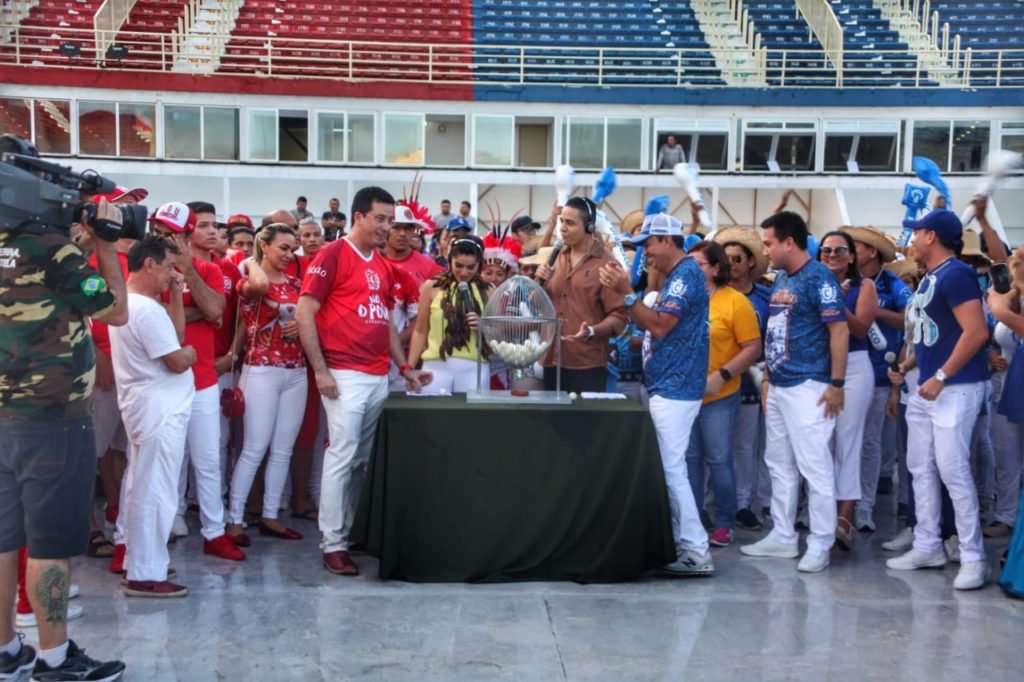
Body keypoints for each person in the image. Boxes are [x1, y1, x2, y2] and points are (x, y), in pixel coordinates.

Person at [0, 134, 128, 678]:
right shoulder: (53, 252)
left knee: (4, 538)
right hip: (52, 417)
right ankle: (54, 657)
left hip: (3, 415)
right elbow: (115, 310)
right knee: (49, 544)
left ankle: (6, 650)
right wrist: (105, 244)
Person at [297, 186, 431, 577]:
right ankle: (332, 543)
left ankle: (352, 530)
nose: (387, 227)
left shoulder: (381, 265)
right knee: (342, 455)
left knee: (361, 459)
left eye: (391, 220)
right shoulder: (333, 254)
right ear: (358, 217)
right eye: (381, 219)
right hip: (343, 373)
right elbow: (305, 312)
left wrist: (403, 368)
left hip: (377, 374)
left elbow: (384, 321)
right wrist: (321, 370)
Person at [598, 213, 713, 576]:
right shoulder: (679, 275)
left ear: (666, 240)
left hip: (677, 385)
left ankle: (695, 549)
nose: (644, 252)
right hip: (669, 383)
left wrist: (626, 293)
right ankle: (682, 543)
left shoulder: (684, 276)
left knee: (671, 469)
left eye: (647, 244)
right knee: (670, 468)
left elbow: (660, 327)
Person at [886, 209, 991, 590]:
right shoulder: (933, 276)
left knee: (953, 470)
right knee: (920, 467)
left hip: (955, 387)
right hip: (929, 386)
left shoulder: (957, 274)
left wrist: (942, 376)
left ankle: (973, 556)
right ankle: (927, 544)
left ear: (932, 236)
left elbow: (976, 332)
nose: (911, 239)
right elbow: (936, 335)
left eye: (916, 233)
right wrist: (909, 364)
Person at [741, 211, 848, 574]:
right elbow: (777, 329)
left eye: (769, 243)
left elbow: (839, 330)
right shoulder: (784, 276)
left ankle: (820, 542)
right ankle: (783, 534)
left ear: (789, 242)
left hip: (810, 386)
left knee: (814, 467)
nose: (764, 251)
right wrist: (768, 377)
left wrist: (837, 384)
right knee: (779, 462)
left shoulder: (820, 278)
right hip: (779, 384)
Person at [143, 203, 242, 561]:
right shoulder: (147, 267)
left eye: (168, 234)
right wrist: (196, 312)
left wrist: (188, 272)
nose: (161, 238)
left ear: (184, 237)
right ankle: (169, 522)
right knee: (167, 460)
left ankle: (214, 532)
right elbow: (147, 311)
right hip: (161, 378)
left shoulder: (208, 269)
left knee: (208, 459)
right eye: (157, 232)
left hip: (201, 379)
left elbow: (217, 311)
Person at [111, 236, 201, 597]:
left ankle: (138, 562)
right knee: (156, 493)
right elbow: (176, 358)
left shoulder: (130, 305)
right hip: (158, 411)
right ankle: (146, 572)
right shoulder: (145, 310)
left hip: (147, 408)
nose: (172, 274)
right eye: (168, 267)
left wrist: (176, 296)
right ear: (149, 264)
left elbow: (171, 337)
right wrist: (190, 355)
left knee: (142, 487)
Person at [227, 224, 308, 546]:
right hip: (261, 370)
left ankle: (270, 515)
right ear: (264, 245)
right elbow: (260, 285)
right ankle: (234, 519)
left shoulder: (297, 283)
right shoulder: (249, 280)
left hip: (296, 372)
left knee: (283, 449)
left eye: (292, 249)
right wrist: (250, 259)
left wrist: (300, 327)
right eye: (283, 248)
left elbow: (313, 318)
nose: (290, 254)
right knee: (254, 448)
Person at [685, 241, 761, 547]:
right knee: (690, 459)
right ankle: (692, 519)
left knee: (718, 459)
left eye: (698, 264)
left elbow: (753, 347)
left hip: (719, 395)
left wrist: (723, 375)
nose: (691, 270)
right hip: (685, 394)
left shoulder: (736, 302)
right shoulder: (684, 298)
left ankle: (725, 523)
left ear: (716, 268)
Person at [843, 226, 911, 532]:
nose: (848, 252)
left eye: (855, 247)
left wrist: (873, 312)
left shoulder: (893, 284)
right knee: (835, 441)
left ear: (871, 252)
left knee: (869, 442)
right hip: (842, 370)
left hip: (881, 373)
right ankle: (827, 506)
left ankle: (864, 508)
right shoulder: (842, 281)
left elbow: (910, 320)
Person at [818, 230, 878, 550]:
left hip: (853, 367)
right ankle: (823, 513)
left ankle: (845, 517)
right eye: (826, 250)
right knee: (821, 443)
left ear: (852, 256)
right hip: (819, 367)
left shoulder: (864, 287)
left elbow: (860, 329)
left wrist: (836, 302)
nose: (832, 255)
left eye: (840, 250)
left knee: (848, 441)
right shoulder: (812, 283)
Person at [535, 197, 627, 392]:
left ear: (589, 226)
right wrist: (539, 283)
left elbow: (619, 316)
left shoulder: (607, 264)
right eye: (561, 221)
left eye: (570, 223)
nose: (562, 228)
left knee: (584, 413)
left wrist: (592, 331)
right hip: (551, 360)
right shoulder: (556, 257)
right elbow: (535, 304)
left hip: (587, 364)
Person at [713, 227, 772, 530]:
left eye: (738, 258)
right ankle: (725, 502)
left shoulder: (765, 298)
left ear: (750, 262)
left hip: (758, 381)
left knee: (753, 446)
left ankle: (749, 503)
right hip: (721, 382)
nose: (732, 265)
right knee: (723, 447)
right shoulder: (715, 296)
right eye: (727, 259)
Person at [408, 236, 490, 395]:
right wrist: (409, 368)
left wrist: (485, 326)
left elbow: (500, 333)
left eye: (471, 267)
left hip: (475, 367)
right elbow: (420, 331)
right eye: (458, 265)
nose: (464, 272)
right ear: (449, 260)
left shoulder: (489, 290)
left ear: (479, 264)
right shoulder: (432, 286)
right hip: (435, 365)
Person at [385, 204, 443, 285]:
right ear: (386, 228)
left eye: (408, 228)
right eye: (396, 227)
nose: (402, 233)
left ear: (413, 231)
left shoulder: (429, 266)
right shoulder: (372, 261)